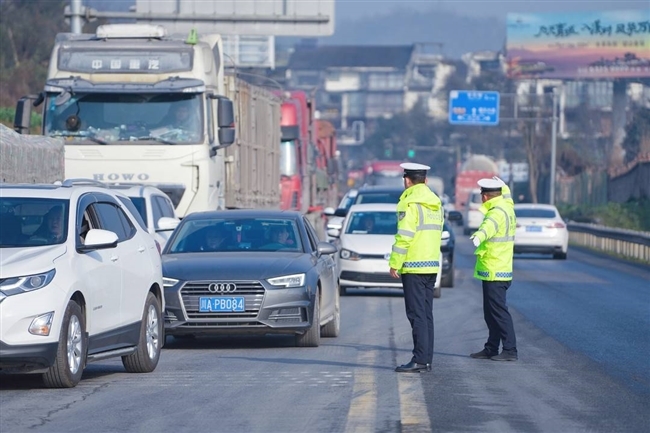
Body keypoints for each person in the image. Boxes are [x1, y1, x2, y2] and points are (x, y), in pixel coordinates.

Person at [389, 162, 443, 373]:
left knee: (416, 314)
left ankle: (419, 359)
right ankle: (426, 359)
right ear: (426, 181)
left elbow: (404, 237)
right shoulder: (435, 204)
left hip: (413, 265)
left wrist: (395, 263)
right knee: (426, 314)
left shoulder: (409, 203)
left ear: (407, 180)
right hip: (430, 264)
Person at [469, 177, 518, 362]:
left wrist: (478, 236)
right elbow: (507, 196)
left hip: (495, 269)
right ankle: (491, 347)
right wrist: (504, 185)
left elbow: (487, 227)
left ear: (485, 196)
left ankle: (510, 350)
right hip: (500, 268)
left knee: (497, 312)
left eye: (482, 194)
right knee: (491, 312)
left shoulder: (496, 212)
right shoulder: (507, 206)